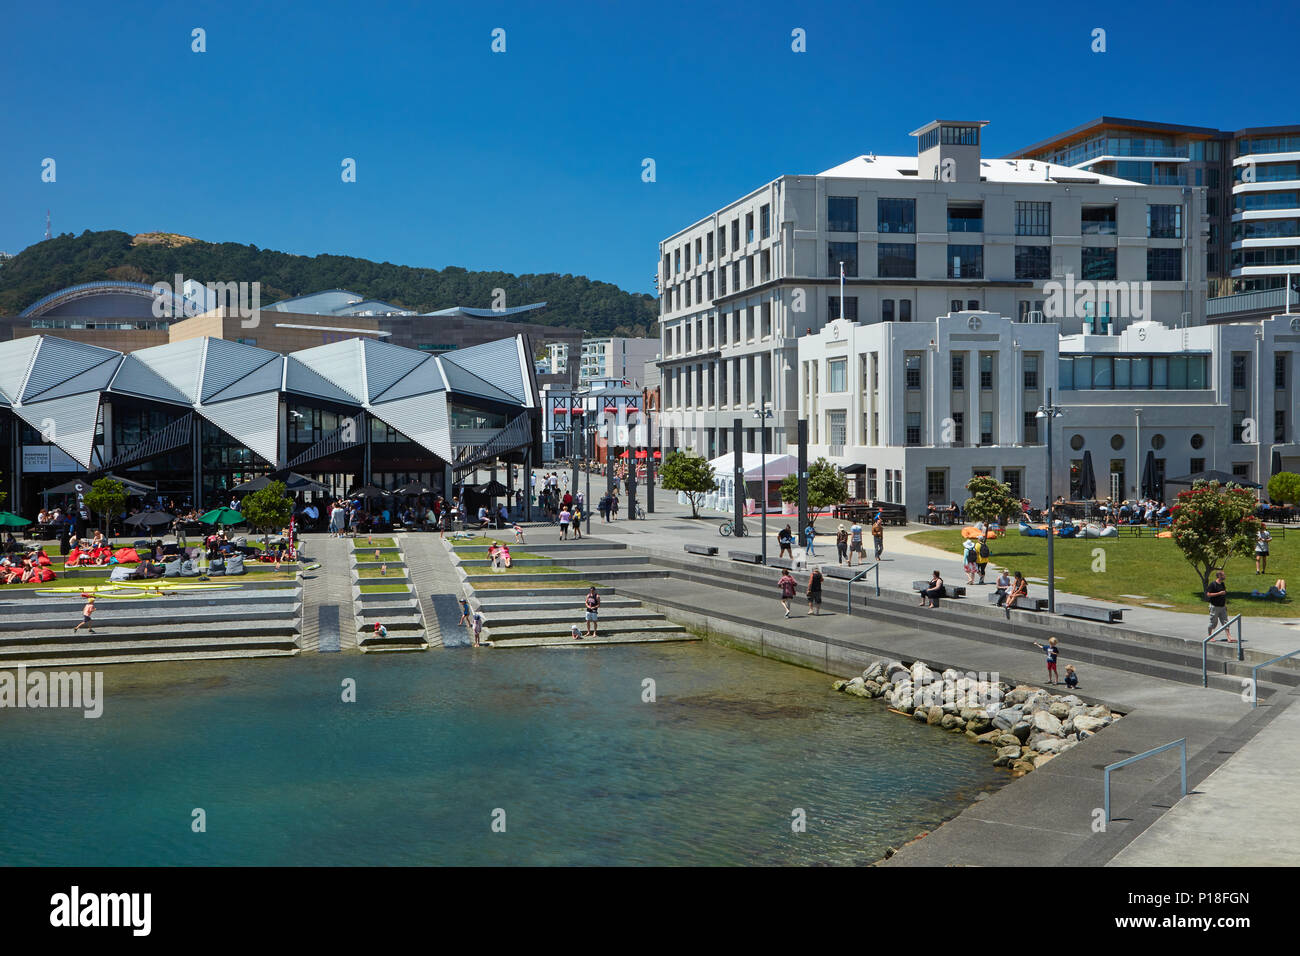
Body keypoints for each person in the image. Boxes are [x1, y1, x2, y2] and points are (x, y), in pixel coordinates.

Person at [1206, 570, 1230, 638]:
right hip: (1214, 606)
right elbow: (1208, 594)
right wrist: (1219, 593)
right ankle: (1210, 636)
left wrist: (1225, 605)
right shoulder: (1213, 584)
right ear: (1219, 576)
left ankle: (1229, 637)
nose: (1225, 576)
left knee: (1226, 622)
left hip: (1222, 607)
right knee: (1213, 623)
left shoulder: (1222, 584)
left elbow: (1223, 595)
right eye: (1223, 575)